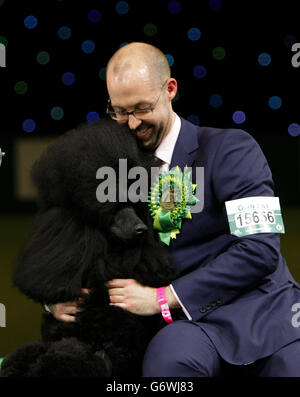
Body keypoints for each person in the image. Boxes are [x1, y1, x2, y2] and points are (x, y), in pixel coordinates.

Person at [47, 42, 300, 376]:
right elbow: (79, 245)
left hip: (262, 311)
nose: (132, 123)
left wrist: (165, 297)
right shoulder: (109, 170)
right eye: (120, 112)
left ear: (170, 90)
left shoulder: (233, 149)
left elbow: (260, 249)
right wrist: (56, 297)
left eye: (141, 108)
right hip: (185, 330)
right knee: (168, 365)